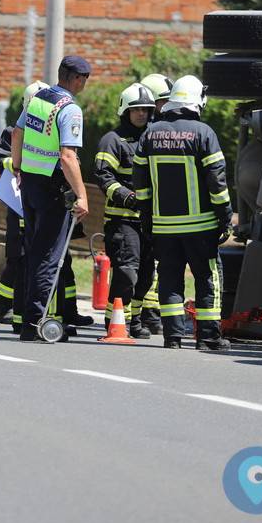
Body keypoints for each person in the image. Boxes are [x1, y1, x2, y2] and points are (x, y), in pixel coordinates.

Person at [133, 75, 232, 351]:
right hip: (201, 227)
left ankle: (172, 337)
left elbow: (141, 185)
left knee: (169, 280)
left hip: (164, 227)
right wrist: (225, 217)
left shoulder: (150, 134)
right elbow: (217, 182)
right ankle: (208, 338)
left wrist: (147, 219)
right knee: (207, 279)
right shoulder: (204, 133)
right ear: (198, 100)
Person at [12, 56, 91, 342]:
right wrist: (82, 195)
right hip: (52, 188)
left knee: (35, 251)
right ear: (78, 79)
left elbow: (18, 133)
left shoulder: (37, 99)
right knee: (49, 257)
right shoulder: (70, 109)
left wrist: (17, 166)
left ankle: (28, 318)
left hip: (30, 183)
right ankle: (34, 323)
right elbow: (68, 156)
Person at [94, 83, 160, 339]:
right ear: (126, 110)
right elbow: (102, 175)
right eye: (136, 110)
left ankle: (134, 322)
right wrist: (125, 196)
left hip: (149, 221)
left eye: (146, 109)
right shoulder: (113, 140)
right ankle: (115, 320)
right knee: (127, 272)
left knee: (146, 275)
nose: (142, 113)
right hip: (122, 220)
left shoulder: (154, 138)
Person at [0, 81, 48, 329]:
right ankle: (4, 304)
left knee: (32, 258)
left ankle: (20, 306)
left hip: (38, 202)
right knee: (17, 256)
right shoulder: (11, 132)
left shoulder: (49, 133)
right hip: (17, 202)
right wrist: (19, 164)